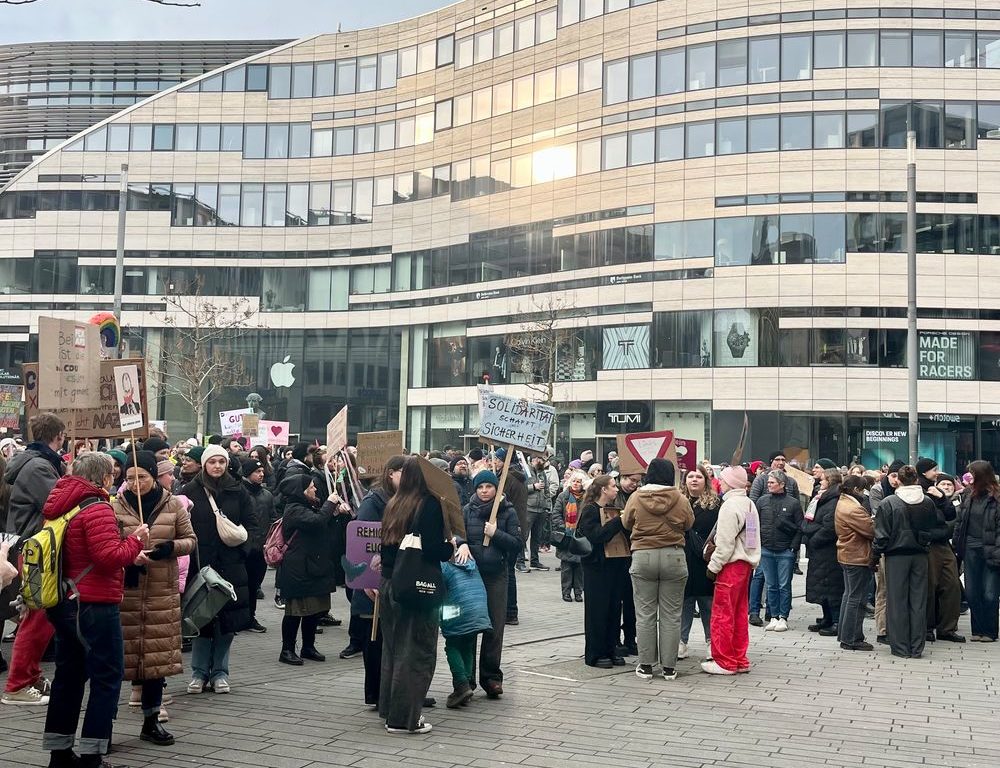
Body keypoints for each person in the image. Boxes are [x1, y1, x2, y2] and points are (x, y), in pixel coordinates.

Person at [42, 453, 149, 768]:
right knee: (106, 678)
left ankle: (59, 753)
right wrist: (135, 542)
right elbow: (107, 557)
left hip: (64, 601)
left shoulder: (61, 504)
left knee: (68, 678)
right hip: (94, 604)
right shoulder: (97, 507)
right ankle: (93, 755)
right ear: (104, 477)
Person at [114, 450, 197, 745]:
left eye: (143, 477)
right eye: (130, 477)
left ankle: (151, 721)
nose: (136, 483)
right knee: (118, 660)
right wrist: (129, 549)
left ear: (154, 476)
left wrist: (167, 549)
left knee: (155, 660)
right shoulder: (115, 506)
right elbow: (108, 544)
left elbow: (190, 540)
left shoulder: (173, 504)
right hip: (127, 590)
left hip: (162, 589)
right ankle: (105, 725)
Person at [378, 457, 453, 735]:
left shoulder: (394, 502)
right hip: (416, 586)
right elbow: (432, 549)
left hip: (390, 583)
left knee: (393, 649)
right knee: (417, 652)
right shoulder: (428, 504)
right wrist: (449, 547)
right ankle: (403, 718)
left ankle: (389, 708)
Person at [3, 412, 66, 706]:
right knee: (36, 617)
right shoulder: (40, 467)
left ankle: (30, 675)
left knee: (41, 616)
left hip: (33, 547)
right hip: (35, 549)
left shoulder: (36, 463)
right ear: (59, 436)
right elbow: (58, 504)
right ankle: (17, 684)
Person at [181, 444, 255, 694]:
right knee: (202, 619)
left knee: (227, 621)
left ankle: (220, 672)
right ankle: (199, 672)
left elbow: (253, 525)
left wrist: (243, 551)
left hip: (231, 566)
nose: (217, 466)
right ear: (204, 464)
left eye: (221, 462)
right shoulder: (190, 491)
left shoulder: (239, 490)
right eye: (212, 462)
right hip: (200, 565)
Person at [621, 459, 693, 681]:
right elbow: (689, 523)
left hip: (643, 556)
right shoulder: (680, 499)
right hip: (674, 556)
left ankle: (646, 665)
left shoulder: (636, 497)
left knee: (645, 613)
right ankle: (669, 668)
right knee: (671, 615)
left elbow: (626, 523)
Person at [455, 469, 522, 697]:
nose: (484, 491)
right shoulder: (467, 510)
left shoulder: (507, 512)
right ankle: (467, 679)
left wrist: (496, 534)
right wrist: (461, 542)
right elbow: (456, 533)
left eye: (489, 487)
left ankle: (491, 677)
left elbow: (516, 543)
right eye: (480, 487)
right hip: (470, 576)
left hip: (496, 576)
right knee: (470, 625)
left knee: (494, 626)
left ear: (496, 489)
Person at [349, 456, 406, 705]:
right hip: (373, 582)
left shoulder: (403, 500)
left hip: (395, 576)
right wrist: (370, 580)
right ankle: (375, 692)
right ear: (391, 473)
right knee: (375, 640)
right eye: (405, 473)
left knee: (393, 638)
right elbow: (363, 540)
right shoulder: (374, 500)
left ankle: (395, 689)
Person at [277, 474, 343, 665]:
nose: (315, 489)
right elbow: (316, 522)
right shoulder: (294, 509)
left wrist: (335, 514)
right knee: (295, 612)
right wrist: (330, 504)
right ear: (301, 490)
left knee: (314, 610)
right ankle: (287, 649)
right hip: (299, 568)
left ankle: (308, 646)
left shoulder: (310, 506)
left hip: (315, 566)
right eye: (311, 487)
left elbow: (322, 525)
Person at [873, 465, 939, 658]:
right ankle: (917, 646)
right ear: (917, 480)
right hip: (920, 555)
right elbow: (932, 528)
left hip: (896, 555)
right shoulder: (927, 502)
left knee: (896, 601)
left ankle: (900, 646)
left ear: (898, 481)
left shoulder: (889, 502)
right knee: (918, 601)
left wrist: (875, 555)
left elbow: (881, 535)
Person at [702, 465, 761, 675]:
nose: (721, 483)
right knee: (738, 613)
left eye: (724, 479)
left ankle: (724, 661)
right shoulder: (749, 503)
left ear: (730, 482)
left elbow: (725, 543)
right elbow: (752, 538)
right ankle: (739, 658)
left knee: (722, 614)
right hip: (745, 565)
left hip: (730, 565)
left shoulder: (729, 506)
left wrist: (714, 565)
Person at [577, 474, 630, 668]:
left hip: (615, 564)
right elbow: (598, 536)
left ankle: (611, 648)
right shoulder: (590, 510)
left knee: (614, 609)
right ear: (603, 490)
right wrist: (619, 522)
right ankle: (595, 653)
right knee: (597, 610)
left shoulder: (612, 510)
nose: (616, 490)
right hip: (596, 566)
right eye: (613, 487)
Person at [954, 460, 1000, 642]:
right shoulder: (968, 495)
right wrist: (958, 545)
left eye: (972, 473)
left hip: (991, 550)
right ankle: (978, 630)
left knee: (989, 593)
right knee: (972, 592)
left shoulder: (996, 497)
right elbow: (960, 522)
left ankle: (990, 631)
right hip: (970, 549)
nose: (969, 477)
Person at [754, 470, 803, 631]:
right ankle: (773, 616)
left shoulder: (793, 503)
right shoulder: (762, 501)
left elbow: (800, 527)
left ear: (782, 484)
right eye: (768, 482)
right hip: (766, 548)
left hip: (785, 550)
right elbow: (754, 523)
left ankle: (783, 616)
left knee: (784, 585)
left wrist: (793, 548)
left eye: (772, 482)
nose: (769, 485)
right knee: (771, 585)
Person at [679, 466, 719, 661]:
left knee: (707, 603)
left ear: (706, 479)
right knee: (683, 603)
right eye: (690, 476)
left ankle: (712, 641)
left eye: (698, 476)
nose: (694, 479)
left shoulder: (716, 504)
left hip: (705, 560)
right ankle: (681, 642)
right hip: (682, 558)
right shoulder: (678, 501)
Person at [802, 468, 845, 637]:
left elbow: (829, 527)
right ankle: (827, 617)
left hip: (827, 551)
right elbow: (811, 521)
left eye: (824, 479)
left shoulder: (833, 500)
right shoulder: (821, 498)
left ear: (831, 481)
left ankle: (835, 621)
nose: (820, 481)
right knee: (822, 587)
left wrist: (813, 539)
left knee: (831, 587)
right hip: (818, 552)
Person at [835, 476, 875, 651]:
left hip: (848, 555)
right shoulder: (853, 509)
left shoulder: (843, 502)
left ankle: (846, 635)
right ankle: (852, 638)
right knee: (857, 598)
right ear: (857, 490)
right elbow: (872, 530)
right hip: (857, 557)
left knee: (849, 595)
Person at [870, 459, 903, 642]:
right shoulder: (878, 490)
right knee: (883, 588)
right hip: (883, 544)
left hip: (899, 545)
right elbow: (879, 516)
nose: (896, 480)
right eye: (893, 475)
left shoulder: (905, 490)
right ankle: (882, 629)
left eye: (899, 476)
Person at [242, 457, 274, 634]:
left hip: (260, 547)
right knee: (241, 584)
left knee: (254, 584)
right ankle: (239, 617)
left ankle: (250, 617)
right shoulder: (239, 492)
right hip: (242, 547)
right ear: (247, 474)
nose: (261, 474)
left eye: (262, 471)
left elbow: (272, 517)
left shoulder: (267, 495)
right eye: (257, 472)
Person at [552, 471, 587, 602]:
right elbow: (556, 515)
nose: (576, 484)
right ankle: (566, 592)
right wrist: (564, 527)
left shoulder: (587, 497)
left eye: (579, 481)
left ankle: (578, 592)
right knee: (566, 567)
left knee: (579, 568)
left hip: (581, 537)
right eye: (574, 481)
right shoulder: (563, 496)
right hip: (566, 537)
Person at [525, 454, 556, 571]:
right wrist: (533, 486)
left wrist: (547, 506)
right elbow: (521, 489)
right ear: (533, 460)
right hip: (529, 508)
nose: (541, 461)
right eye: (539, 459)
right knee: (524, 536)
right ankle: (519, 561)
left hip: (541, 509)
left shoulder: (542, 473)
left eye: (542, 459)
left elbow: (547, 491)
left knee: (537, 537)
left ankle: (534, 561)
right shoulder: (526, 471)